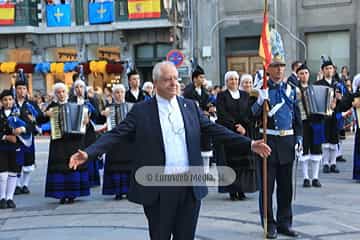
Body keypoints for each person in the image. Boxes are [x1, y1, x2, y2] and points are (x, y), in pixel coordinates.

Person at [69, 61, 271, 240]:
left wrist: (249, 143)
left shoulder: (190, 106)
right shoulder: (141, 111)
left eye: (176, 78)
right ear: (156, 84)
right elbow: (117, 134)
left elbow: (216, 130)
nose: (174, 83)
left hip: (189, 187)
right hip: (158, 188)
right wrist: (89, 152)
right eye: (168, 80)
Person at [252, 55, 303, 239]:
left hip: (287, 143)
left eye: (282, 66)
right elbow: (250, 115)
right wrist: (259, 102)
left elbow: (298, 118)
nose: (280, 69)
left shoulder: (291, 90)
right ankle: (269, 224)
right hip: (268, 143)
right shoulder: (260, 90)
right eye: (275, 66)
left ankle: (285, 223)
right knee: (267, 188)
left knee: (285, 188)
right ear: (268, 69)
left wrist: (299, 139)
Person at [42, 83, 90, 204]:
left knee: (73, 165)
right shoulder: (52, 106)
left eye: (63, 91)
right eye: (58, 92)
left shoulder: (76, 105)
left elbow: (85, 121)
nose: (61, 94)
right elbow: (39, 119)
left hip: (74, 141)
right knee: (60, 166)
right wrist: (45, 114)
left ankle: (73, 194)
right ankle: (61, 194)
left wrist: (86, 120)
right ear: (55, 94)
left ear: (67, 93)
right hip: (58, 141)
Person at [216, 71, 258, 201]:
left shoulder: (245, 95)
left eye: (235, 79)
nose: (233, 81)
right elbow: (222, 114)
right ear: (226, 82)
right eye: (230, 79)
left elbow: (248, 113)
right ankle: (232, 191)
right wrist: (235, 126)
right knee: (230, 163)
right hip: (228, 133)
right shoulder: (222, 96)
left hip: (243, 132)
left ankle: (242, 189)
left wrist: (244, 126)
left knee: (242, 164)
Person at [0, 89, 33, 209]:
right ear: (1, 102)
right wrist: (5, 136)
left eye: (9, 99)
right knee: (2, 174)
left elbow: (31, 126)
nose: (8, 102)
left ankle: (10, 198)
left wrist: (22, 129)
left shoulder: (19, 113)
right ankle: (2, 198)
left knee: (13, 172)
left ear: (13, 100)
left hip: (16, 148)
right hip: (2, 147)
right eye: (5, 100)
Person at [100, 84, 133, 200]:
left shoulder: (131, 106)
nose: (119, 95)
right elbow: (100, 121)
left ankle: (129, 190)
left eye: (121, 92)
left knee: (129, 166)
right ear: (113, 95)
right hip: (114, 141)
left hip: (128, 141)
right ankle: (117, 190)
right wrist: (103, 115)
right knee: (114, 165)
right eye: (117, 92)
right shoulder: (109, 108)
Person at [14, 70, 43, 195]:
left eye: (23, 88)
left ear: (27, 90)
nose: (21, 91)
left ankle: (25, 184)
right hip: (15, 137)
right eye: (19, 88)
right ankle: (17, 185)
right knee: (16, 161)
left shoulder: (31, 104)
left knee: (28, 161)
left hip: (28, 137)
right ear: (16, 90)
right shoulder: (11, 102)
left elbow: (40, 118)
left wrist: (34, 121)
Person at [183, 65, 216, 172]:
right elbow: (188, 108)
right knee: (195, 148)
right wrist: (202, 111)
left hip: (204, 122)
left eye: (203, 77)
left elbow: (207, 103)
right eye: (201, 77)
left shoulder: (204, 91)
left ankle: (206, 171)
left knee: (206, 148)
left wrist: (210, 108)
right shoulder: (188, 91)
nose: (203, 79)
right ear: (195, 78)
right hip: (193, 122)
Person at [296, 64, 323, 188]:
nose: (304, 75)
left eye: (306, 73)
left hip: (316, 122)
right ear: (298, 75)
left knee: (316, 150)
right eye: (301, 73)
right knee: (304, 150)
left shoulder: (315, 88)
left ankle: (315, 178)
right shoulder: (295, 90)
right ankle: (306, 178)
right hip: (303, 122)